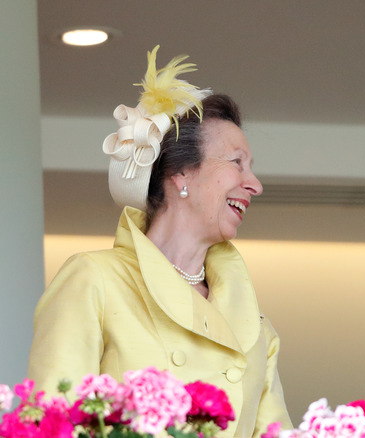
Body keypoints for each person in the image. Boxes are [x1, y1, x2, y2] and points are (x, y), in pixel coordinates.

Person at [28, 46, 292, 437]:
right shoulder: (94, 280)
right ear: (182, 172)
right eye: (237, 162)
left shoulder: (255, 329)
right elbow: (48, 423)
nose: (255, 184)